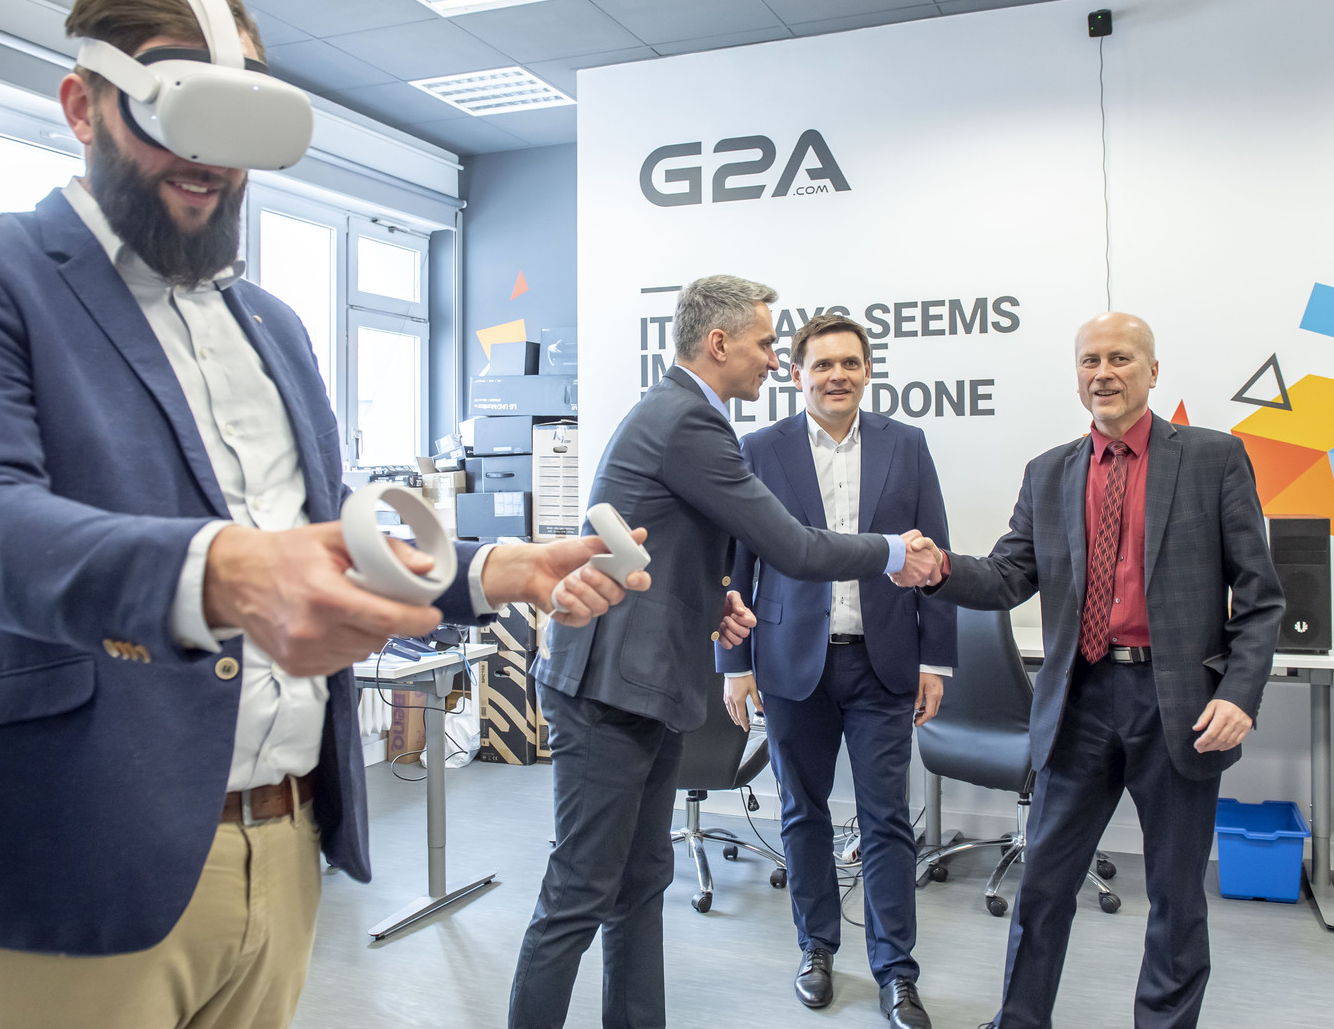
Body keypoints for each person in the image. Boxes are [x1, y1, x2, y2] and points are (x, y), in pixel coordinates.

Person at [0, 0, 644, 1029]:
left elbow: (333, 533)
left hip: (282, 846)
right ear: (81, 107)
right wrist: (226, 570)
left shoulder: (273, 325)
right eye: (173, 114)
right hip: (77, 853)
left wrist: (494, 570)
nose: (209, 163)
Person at [506, 276, 939, 1029]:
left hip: (642, 684)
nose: (774, 359)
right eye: (767, 344)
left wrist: (713, 601)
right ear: (718, 343)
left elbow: (650, 543)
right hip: (609, 688)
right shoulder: (688, 421)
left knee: (641, 883)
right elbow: (794, 548)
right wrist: (895, 551)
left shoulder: (678, 414)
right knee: (578, 893)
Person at [925, 312, 1285, 1029]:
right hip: (1079, 700)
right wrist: (938, 569)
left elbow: (1260, 596)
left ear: (1152, 371)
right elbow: (1007, 576)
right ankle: (1019, 1021)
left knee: (1176, 895)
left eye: (1120, 358)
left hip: (1178, 702)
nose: (1103, 373)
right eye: (1090, 360)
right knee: (1043, 884)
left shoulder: (1213, 458)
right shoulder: (1049, 471)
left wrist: (1240, 693)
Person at [715, 313, 957, 1029]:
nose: (837, 375)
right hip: (791, 663)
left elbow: (934, 557)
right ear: (797, 375)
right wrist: (734, 664)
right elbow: (737, 564)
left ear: (868, 370)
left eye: (850, 362)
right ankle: (816, 948)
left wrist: (936, 658)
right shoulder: (761, 449)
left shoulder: (905, 445)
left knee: (886, 820)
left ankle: (896, 973)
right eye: (822, 364)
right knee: (803, 813)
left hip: (884, 662)